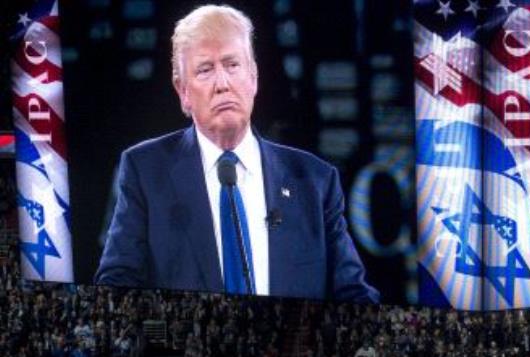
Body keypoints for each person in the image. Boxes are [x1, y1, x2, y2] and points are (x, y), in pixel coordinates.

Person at [95, 5, 378, 303]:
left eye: (232, 65)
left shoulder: (315, 180)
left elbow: (353, 295)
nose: (222, 84)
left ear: (253, 77)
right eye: (205, 70)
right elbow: (116, 285)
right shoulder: (145, 170)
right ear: (183, 91)